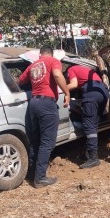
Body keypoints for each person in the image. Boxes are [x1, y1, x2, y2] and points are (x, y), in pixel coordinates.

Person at [18, 46, 71, 188]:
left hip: (33, 103)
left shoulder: (32, 66)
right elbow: (58, 75)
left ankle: (32, 173)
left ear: (40, 54)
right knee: (47, 142)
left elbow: (20, 81)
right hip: (47, 103)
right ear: (51, 54)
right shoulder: (53, 61)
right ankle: (40, 178)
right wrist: (66, 92)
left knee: (36, 140)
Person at [65, 64, 109, 169]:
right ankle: (88, 153)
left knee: (89, 125)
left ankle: (93, 158)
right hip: (103, 91)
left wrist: (62, 88)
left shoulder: (70, 70)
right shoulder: (86, 69)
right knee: (93, 124)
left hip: (91, 92)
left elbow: (74, 84)